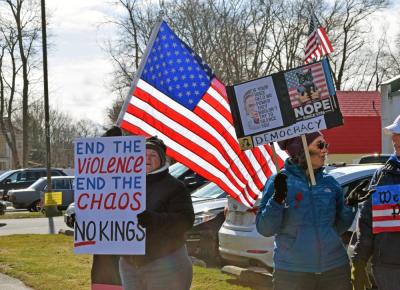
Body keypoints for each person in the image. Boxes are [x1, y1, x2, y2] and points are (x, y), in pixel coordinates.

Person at [256, 132, 356, 290]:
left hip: (334, 268)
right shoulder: (278, 181)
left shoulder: (330, 182)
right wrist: (277, 199)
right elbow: (265, 228)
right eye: (320, 145)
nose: (325, 150)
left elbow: (339, 227)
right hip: (292, 272)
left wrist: (350, 205)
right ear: (300, 150)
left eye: (326, 145)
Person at [119, 136, 195, 290]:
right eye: (143, 155)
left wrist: (153, 219)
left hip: (165, 264)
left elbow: (186, 220)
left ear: (161, 160)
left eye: (152, 155)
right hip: (129, 265)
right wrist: (85, 218)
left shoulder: (175, 187)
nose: (147, 158)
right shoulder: (123, 184)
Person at [351, 114, 400, 290]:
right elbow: (367, 220)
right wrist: (359, 260)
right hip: (386, 267)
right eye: (394, 134)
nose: (394, 139)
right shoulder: (382, 175)